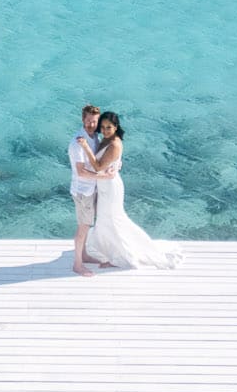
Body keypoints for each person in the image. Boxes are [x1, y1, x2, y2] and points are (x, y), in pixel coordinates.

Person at [79, 111, 181, 270]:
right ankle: (110, 250)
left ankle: (123, 255)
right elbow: (104, 162)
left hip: (111, 187)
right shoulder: (106, 139)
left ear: (116, 127)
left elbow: (98, 166)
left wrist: (85, 147)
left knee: (114, 220)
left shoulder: (114, 144)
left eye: (109, 127)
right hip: (104, 185)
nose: (105, 130)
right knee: (105, 219)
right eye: (103, 127)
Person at [67, 104, 112, 276]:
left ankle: (84, 255)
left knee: (86, 224)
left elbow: (98, 159)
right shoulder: (78, 142)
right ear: (83, 120)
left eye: (94, 121)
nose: (92, 125)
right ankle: (77, 264)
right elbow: (81, 172)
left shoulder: (93, 137)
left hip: (91, 188)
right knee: (83, 227)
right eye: (88, 121)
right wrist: (103, 177)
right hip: (82, 191)